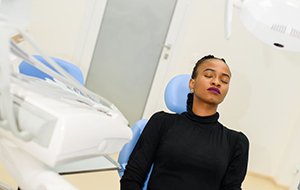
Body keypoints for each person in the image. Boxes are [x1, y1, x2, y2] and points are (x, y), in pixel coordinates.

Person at [120, 55, 249, 190]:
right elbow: (132, 176)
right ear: (192, 83)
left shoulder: (236, 142)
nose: (216, 82)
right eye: (209, 75)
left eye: (224, 80)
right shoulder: (162, 122)